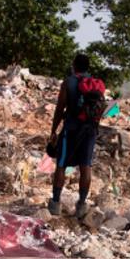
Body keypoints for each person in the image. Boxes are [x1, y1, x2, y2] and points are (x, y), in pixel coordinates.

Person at [48, 53, 100, 218]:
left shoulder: (68, 82)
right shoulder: (95, 84)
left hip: (71, 129)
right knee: (86, 167)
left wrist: (53, 130)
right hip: (90, 131)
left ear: (74, 65)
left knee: (61, 165)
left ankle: (55, 203)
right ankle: (81, 205)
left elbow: (60, 108)